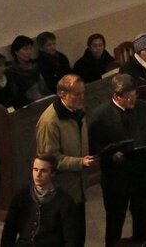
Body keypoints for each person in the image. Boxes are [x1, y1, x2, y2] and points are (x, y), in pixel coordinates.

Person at [88, 74, 146, 247]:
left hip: (141, 175)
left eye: (135, 95)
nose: (133, 100)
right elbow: (94, 146)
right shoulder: (100, 115)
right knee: (115, 223)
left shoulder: (142, 107)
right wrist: (110, 154)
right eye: (129, 97)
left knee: (141, 218)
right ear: (116, 96)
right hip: (116, 179)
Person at [35, 74, 95, 247]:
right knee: (64, 238)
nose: (81, 97)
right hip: (61, 189)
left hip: (77, 187)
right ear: (62, 93)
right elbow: (49, 159)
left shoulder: (77, 111)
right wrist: (80, 162)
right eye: (76, 94)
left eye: (83, 93)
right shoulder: (49, 121)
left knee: (77, 237)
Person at [1, 155, 68, 247]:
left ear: (52, 174)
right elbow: (9, 230)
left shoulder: (64, 200)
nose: (38, 174)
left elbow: (72, 238)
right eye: (35, 169)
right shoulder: (21, 196)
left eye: (43, 171)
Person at [8, 35, 48, 108]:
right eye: (25, 49)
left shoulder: (36, 64)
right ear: (16, 52)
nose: (29, 52)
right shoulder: (13, 71)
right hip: (28, 106)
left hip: (46, 97)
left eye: (30, 49)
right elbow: (16, 94)